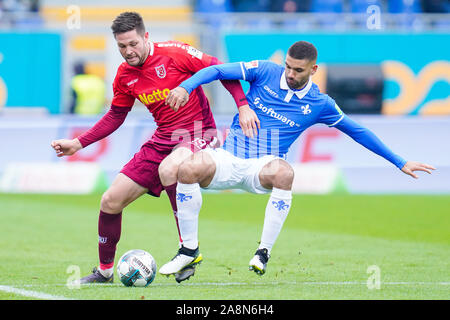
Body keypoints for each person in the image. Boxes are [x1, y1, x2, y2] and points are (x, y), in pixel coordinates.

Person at [159, 41, 435, 277]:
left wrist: (400, 161)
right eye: (288, 66)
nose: (290, 73)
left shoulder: (320, 104)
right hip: (228, 158)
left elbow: (357, 131)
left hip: (263, 168)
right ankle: (189, 250)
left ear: (313, 70)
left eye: (298, 70)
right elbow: (218, 70)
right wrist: (186, 86)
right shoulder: (266, 71)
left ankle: (263, 253)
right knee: (188, 168)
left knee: (285, 173)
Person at [51, 11, 259, 284]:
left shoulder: (175, 53)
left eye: (133, 43)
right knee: (110, 201)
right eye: (122, 46)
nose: (128, 51)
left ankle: (189, 249)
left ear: (146, 37)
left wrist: (242, 106)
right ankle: (104, 272)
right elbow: (115, 115)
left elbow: (221, 68)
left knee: (170, 168)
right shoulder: (125, 75)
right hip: (163, 138)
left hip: (198, 132)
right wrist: (78, 143)